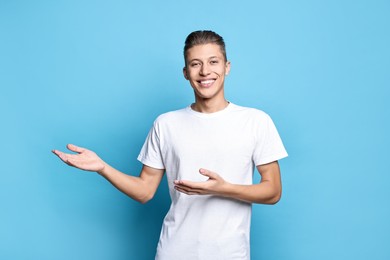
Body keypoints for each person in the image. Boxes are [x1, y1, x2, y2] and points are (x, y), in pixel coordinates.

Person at [52, 30, 288, 260]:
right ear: (186, 72)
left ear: (227, 66)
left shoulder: (256, 121)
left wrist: (221, 188)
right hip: (173, 251)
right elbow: (145, 191)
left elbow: (273, 191)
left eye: (213, 61)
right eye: (196, 64)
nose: (205, 71)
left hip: (229, 254)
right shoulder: (166, 124)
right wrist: (102, 167)